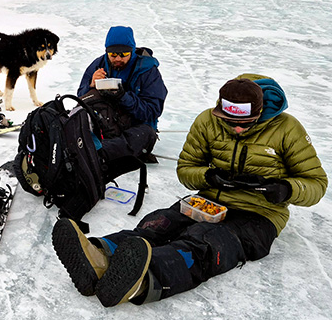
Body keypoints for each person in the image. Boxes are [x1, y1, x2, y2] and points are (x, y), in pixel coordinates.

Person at [52, 74, 327, 307]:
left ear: (260, 113)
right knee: (159, 225)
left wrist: (286, 189)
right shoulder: (207, 121)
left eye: (245, 123)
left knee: (207, 244)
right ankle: (100, 253)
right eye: (230, 122)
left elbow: (316, 183)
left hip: (260, 213)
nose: (237, 128)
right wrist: (209, 176)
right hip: (208, 199)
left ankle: (144, 281)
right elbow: (186, 168)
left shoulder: (287, 129)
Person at [77, 25, 167, 171]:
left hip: (135, 127)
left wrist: (123, 96)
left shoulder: (148, 71)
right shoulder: (98, 64)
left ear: (132, 50)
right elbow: (81, 99)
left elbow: (152, 111)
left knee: (146, 134)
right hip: (105, 124)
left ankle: (96, 153)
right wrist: (91, 85)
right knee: (79, 115)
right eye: (113, 55)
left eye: (124, 53)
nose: (118, 58)